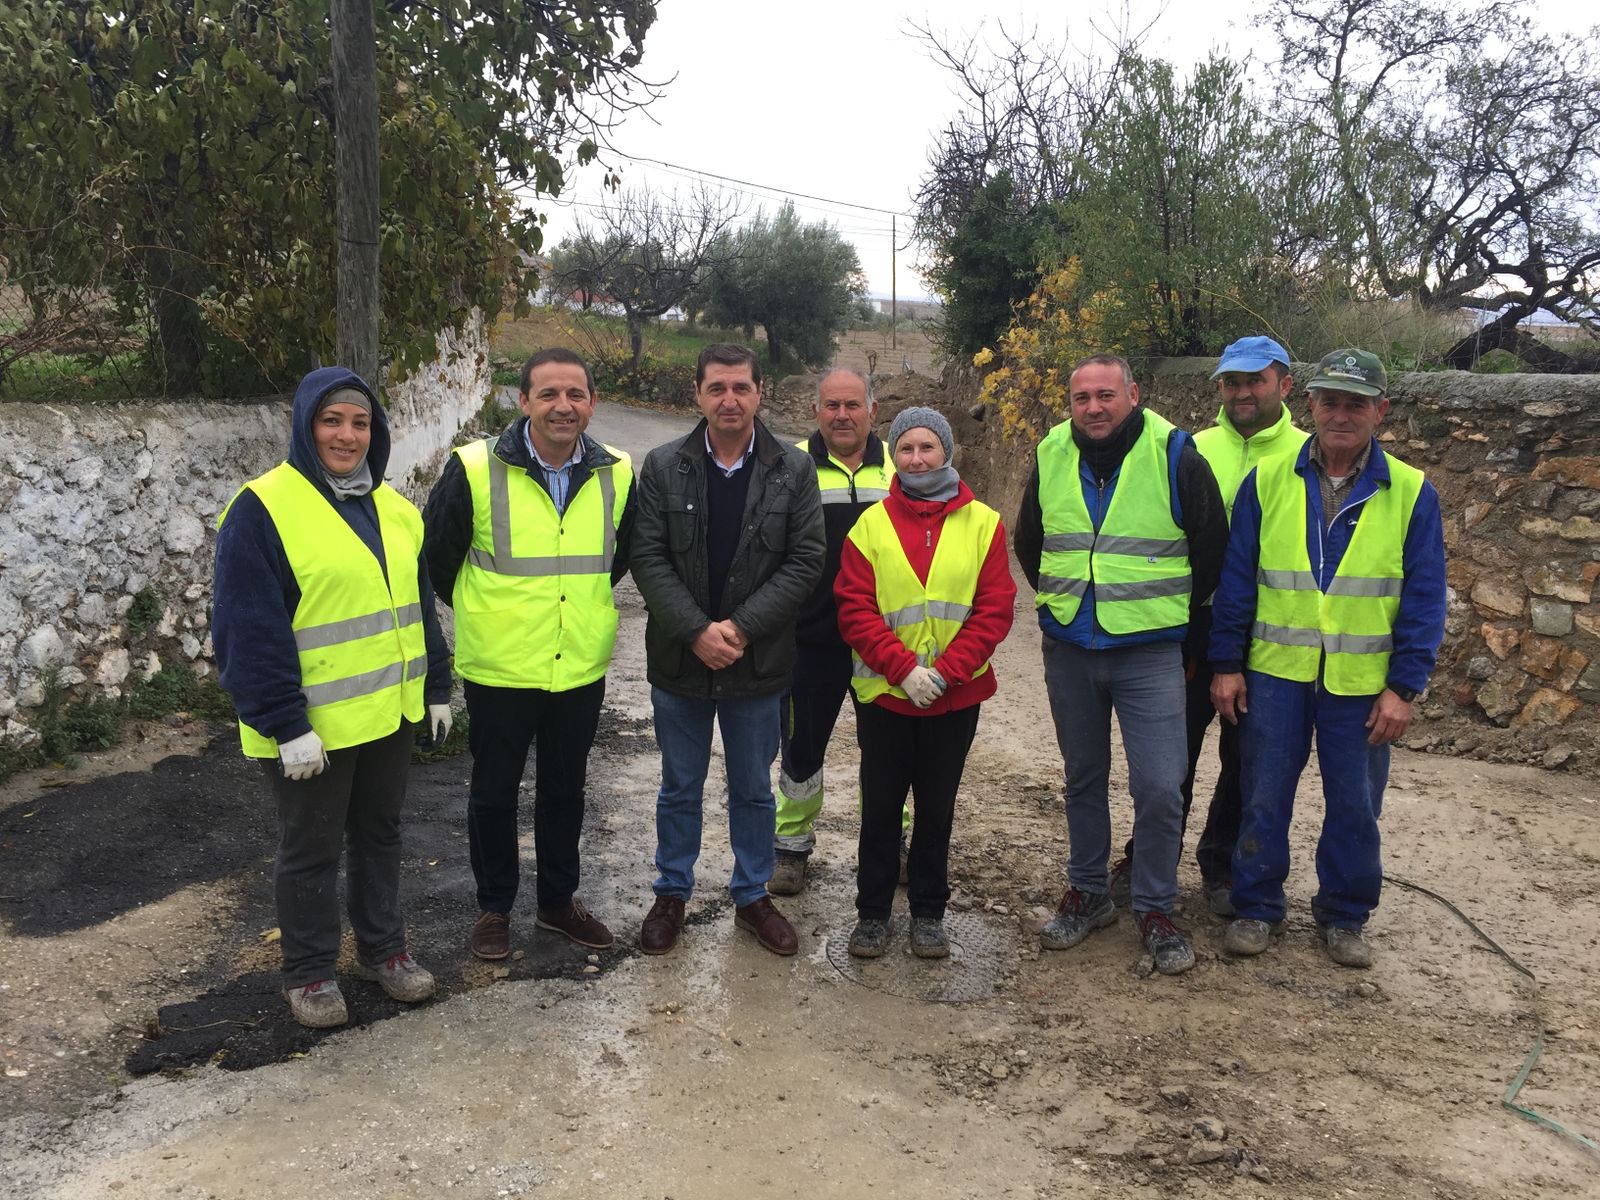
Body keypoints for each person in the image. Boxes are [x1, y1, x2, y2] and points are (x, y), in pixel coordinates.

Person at [213, 367, 452, 1029]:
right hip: (309, 727)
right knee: (311, 849)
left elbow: (418, 610)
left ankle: (385, 951)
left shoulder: (397, 511)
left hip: (387, 716)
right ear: (305, 426)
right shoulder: (262, 509)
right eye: (332, 420)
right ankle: (311, 973)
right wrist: (285, 723)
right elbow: (246, 627)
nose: (347, 435)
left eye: (360, 422)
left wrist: (436, 686)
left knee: (380, 835)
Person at [1210, 349, 1445, 968]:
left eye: (1356, 403)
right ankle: (1257, 906)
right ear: (1308, 405)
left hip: (1361, 685)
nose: (1341, 415)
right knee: (1263, 794)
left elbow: (1424, 598)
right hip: (1275, 674)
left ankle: (1344, 916)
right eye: (1330, 401)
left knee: (1355, 805)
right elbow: (1238, 582)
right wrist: (1226, 664)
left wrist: (1405, 687)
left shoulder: (1412, 493)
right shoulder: (1267, 482)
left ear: (1380, 411)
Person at [1014, 353, 1227, 976]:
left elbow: (1210, 550)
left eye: (1106, 395)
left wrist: (1181, 635)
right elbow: (1030, 540)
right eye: (1082, 398)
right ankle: (1088, 893)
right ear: (1070, 403)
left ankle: (1155, 907)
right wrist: (1060, 604)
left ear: (1132, 394)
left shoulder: (1175, 454)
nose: (1094, 408)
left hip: (1149, 652)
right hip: (1071, 649)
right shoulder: (1051, 451)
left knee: (1161, 786)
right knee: (1082, 777)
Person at [422, 348, 634, 961]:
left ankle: (556, 904)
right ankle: (494, 910)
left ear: (592, 403)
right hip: (501, 666)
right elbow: (440, 559)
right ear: (524, 403)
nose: (562, 406)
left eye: (575, 395)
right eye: (548, 394)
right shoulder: (473, 468)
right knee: (494, 791)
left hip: (578, 665)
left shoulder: (618, 471)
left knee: (565, 790)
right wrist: (490, 615)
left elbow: (616, 559)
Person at [630, 343, 826, 956]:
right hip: (680, 661)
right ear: (698, 394)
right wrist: (696, 631)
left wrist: (737, 629)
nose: (729, 399)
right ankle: (671, 893)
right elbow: (648, 556)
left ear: (759, 392)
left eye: (740, 387)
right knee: (679, 788)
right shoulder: (664, 466)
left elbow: (805, 560)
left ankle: (751, 895)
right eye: (717, 388)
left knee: (753, 789)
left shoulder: (792, 470)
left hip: (758, 665)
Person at [1107, 336, 1307, 916]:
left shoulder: (1305, 454)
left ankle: (1222, 865)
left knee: (1249, 760)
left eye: (1257, 381)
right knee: (1173, 756)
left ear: (1285, 385)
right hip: (1192, 628)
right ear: (1219, 386)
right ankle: (1150, 858)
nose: (1243, 392)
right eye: (1233, 382)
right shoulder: (1191, 449)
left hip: (1271, 632)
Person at [834, 407, 1015, 958]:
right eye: (906, 448)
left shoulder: (984, 522)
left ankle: (929, 914)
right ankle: (872, 913)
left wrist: (944, 673)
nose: (916, 458)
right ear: (895, 455)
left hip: (954, 698)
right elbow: (854, 607)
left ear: (947, 452)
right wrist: (905, 670)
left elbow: (994, 609)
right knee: (881, 809)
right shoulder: (872, 524)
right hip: (888, 696)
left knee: (937, 810)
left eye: (927, 447)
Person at [770, 368, 897, 896]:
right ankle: (792, 848)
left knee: (891, 750)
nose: (841, 415)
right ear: (814, 410)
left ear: (873, 409)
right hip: (809, 642)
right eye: (831, 405)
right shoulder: (787, 466)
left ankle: (892, 843)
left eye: (852, 405)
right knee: (802, 748)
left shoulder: (903, 466)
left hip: (886, 642)